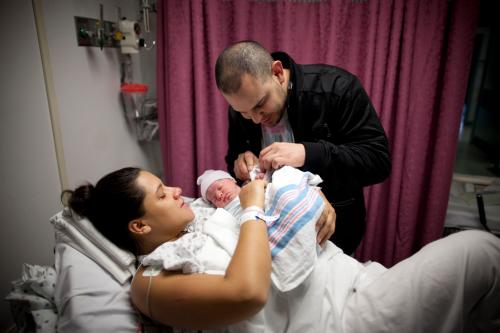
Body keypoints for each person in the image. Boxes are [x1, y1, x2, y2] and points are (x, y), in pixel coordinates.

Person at [64, 167, 500, 332]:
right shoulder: (149, 283)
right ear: (139, 226)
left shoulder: (205, 218)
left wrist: (317, 201)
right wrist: (252, 207)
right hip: (341, 321)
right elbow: (247, 293)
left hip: (355, 279)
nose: (177, 190)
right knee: (479, 251)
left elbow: (283, 208)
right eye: (162, 194)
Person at [215, 40, 391, 254]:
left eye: (261, 104)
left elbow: (378, 161)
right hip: (272, 238)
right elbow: (234, 156)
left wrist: (308, 153)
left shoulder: (337, 88)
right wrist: (239, 161)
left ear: (278, 73)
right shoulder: (242, 106)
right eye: (244, 112)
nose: (254, 119)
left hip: (333, 236)